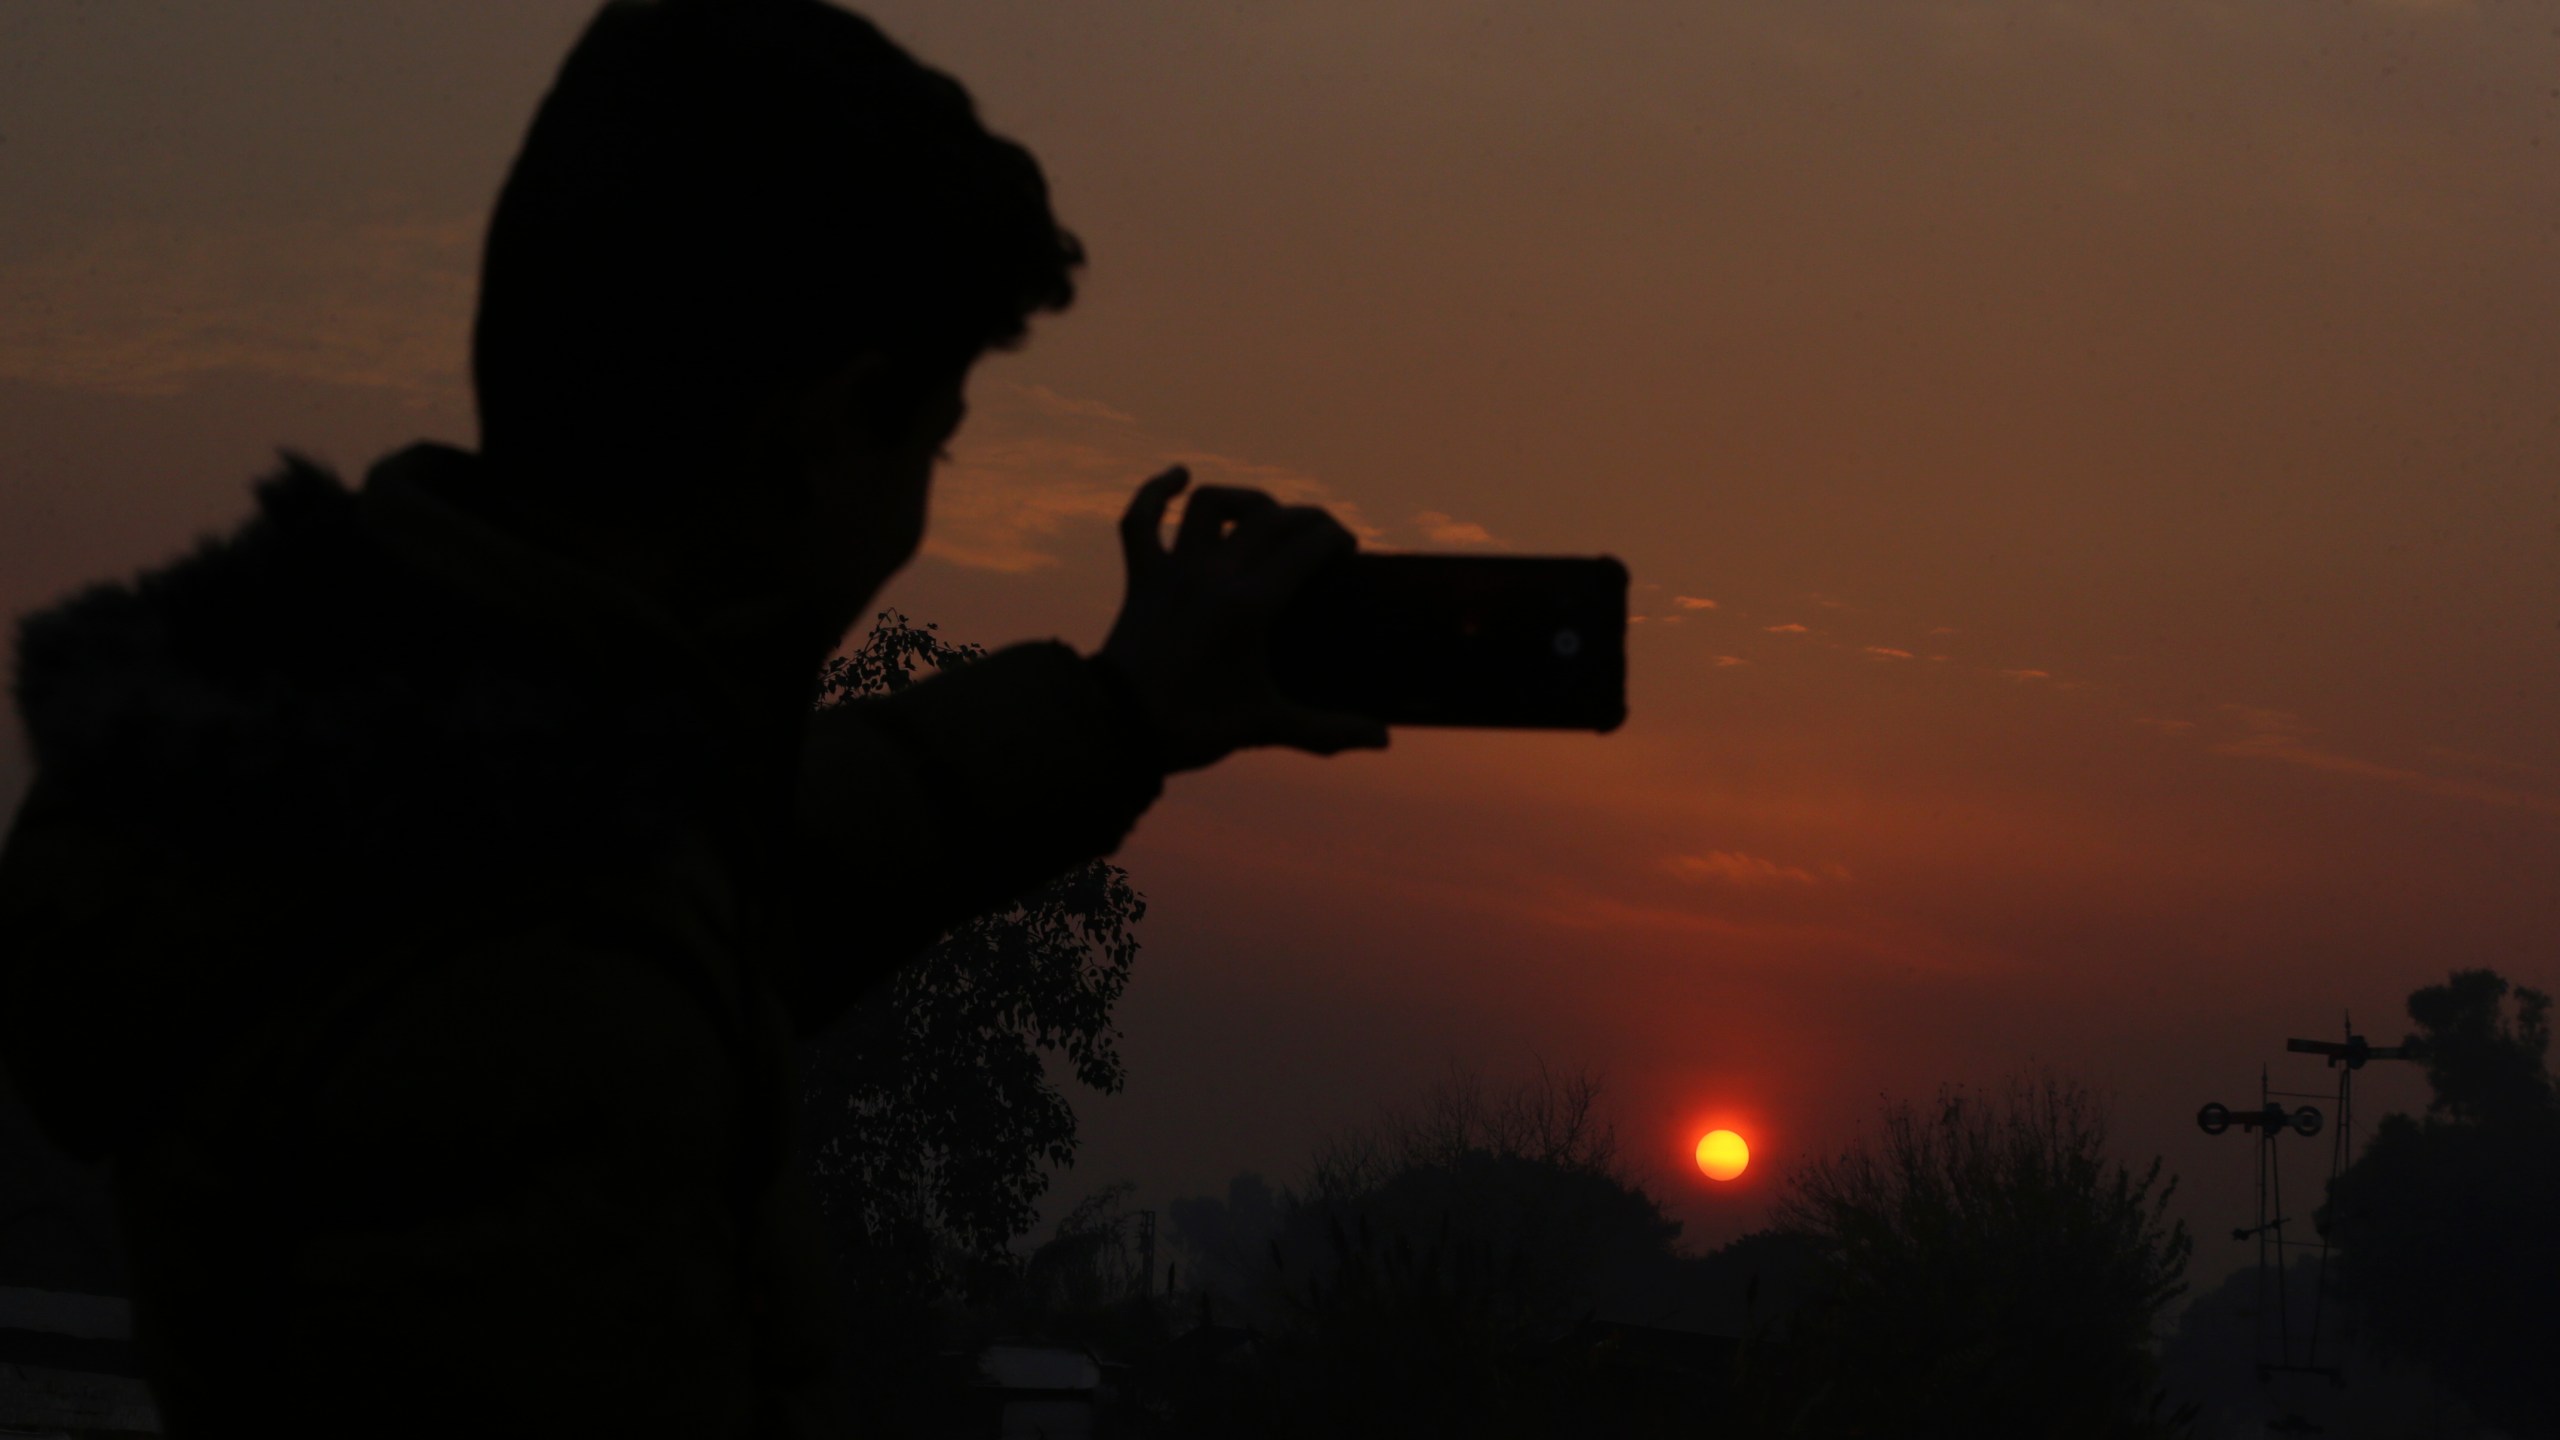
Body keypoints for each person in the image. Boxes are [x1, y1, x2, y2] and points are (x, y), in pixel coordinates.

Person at [0, 1, 1385, 1434]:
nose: (917, 506)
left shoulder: (415, 781)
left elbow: (757, 860)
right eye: (936, 438)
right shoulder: (539, 1003)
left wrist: (1120, 711)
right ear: (822, 436)